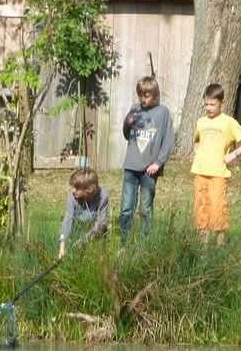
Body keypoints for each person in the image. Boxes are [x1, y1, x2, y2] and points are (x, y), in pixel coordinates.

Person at [191, 82, 241, 246]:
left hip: (218, 174)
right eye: (206, 104)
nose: (209, 108)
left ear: (222, 102)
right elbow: (196, 139)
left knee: (218, 209)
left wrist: (234, 154)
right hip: (200, 172)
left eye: (213, 104)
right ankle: (203, 247)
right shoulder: (201, 122)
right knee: (201, 209)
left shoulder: (228, 122)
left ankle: (220, 246)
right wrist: (197, 152)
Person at [119, 75, 175, 240]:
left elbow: (169, 141)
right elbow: (127, 135)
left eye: (147, 95)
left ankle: (145, 242)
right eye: (140, 95)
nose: (143, 99)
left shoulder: (163, 112)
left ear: (155, 94)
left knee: (145, 208)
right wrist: (127, 124)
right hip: (131, 166)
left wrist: (158, 163)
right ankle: (124, 241)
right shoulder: (135, 109)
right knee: (126, 207)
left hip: (149, 170)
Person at [58, 167, 109, 258]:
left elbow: (102, 224)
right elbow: (67, 221)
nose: (73, 190)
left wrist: (85, 239)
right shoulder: (72, 198)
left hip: (96, 233)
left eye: (77, 188)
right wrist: (62, 249)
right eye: (73, 187)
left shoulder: (102, 196)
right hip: (78, 230)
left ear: (88, 189)